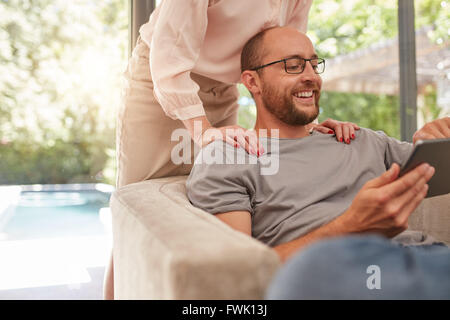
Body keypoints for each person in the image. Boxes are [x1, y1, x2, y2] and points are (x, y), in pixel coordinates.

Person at [106, 0, 361, 300]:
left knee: (211, 196)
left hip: (224, 87)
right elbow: (169, 53)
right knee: (140, 216)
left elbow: (285, 55)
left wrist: (306, 123)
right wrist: (203, 131)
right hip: (162, 77)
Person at [186, 26, 450, 299]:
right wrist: (351, 226)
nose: (311, 76)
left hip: (431, 259)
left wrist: (437, 138)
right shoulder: (229, 157)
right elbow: (239, 274)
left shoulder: (358, 138)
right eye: (294, 66)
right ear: (252, 82)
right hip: (343, 276)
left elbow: (435, 171)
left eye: (314, 64)